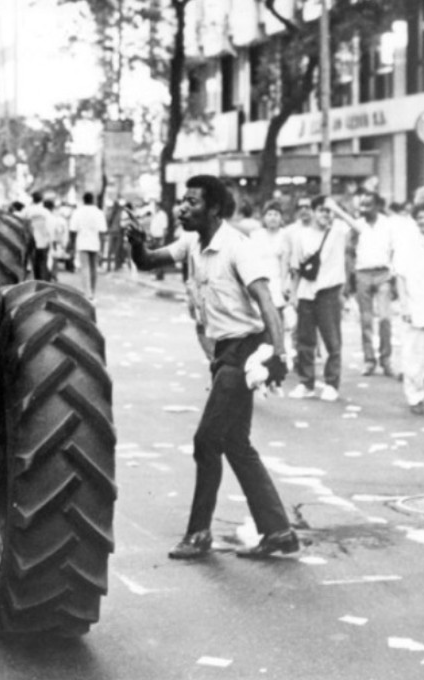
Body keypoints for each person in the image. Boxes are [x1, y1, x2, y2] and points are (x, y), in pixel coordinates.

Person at [124, 174, 298, 560]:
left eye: (192, 202)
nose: (182, 208)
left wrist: (278, 354)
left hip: (244, 351)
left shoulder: (238, 247)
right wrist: (136, 240)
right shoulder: (191, 241)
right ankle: (279, 532)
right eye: (182, 201)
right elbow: (148, 261)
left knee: (207, 441)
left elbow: (267, 303)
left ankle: (199, 533)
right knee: (235, 444)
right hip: (222, 352)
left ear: (215, 209)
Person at [285, 196, 351, 402]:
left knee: (332, 340)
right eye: (322, 210)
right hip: (306, 292)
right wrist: (293, 294)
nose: (326, 215)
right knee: (305, 341)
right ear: (313, 212)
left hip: (329, 292)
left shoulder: (337, 231)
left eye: (328, 212)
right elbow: (296, 267)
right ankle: (306, 383)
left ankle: (331, 383)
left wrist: (337, 209)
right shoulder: (300, 236)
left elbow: (359, 228)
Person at [393, 202, 424, 415]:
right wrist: (404, 305)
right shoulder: (407, 243)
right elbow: (400, 276)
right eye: (420, 217)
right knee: (414, 355)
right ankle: (415, 397)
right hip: (416, 304)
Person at [351, 191, 397, 377]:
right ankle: (369, 360)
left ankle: (386, 359)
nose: (364, 209)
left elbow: (395, 249)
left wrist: (393, 274)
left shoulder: (388, 224)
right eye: (362, 205)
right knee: (366, 320)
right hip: (362, 274)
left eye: (368, 205)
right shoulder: (356, 225)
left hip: (383, 273)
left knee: (385, 318)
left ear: (377, 205)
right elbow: (349, 251)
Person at [69, 191, 107, 300]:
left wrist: (71, 245)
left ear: (83, 200)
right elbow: (102, 231)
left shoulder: (78, 212)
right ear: (93, 200)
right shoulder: (99, 213)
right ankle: (93, 292)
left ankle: (87, 293)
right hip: (95, 243)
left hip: (82, 243)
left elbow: (72, 230)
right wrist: (102, 247)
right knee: (94, 268)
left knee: (85, 268)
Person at [24, 192, 52, 281]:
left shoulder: (26, 210)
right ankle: (43, 281)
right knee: (42, 263)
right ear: (41, 200)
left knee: (31, 263)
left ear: (32, 199)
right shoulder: (45, 211)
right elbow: (49, 227)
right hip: (43, 241)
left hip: (29, 241)